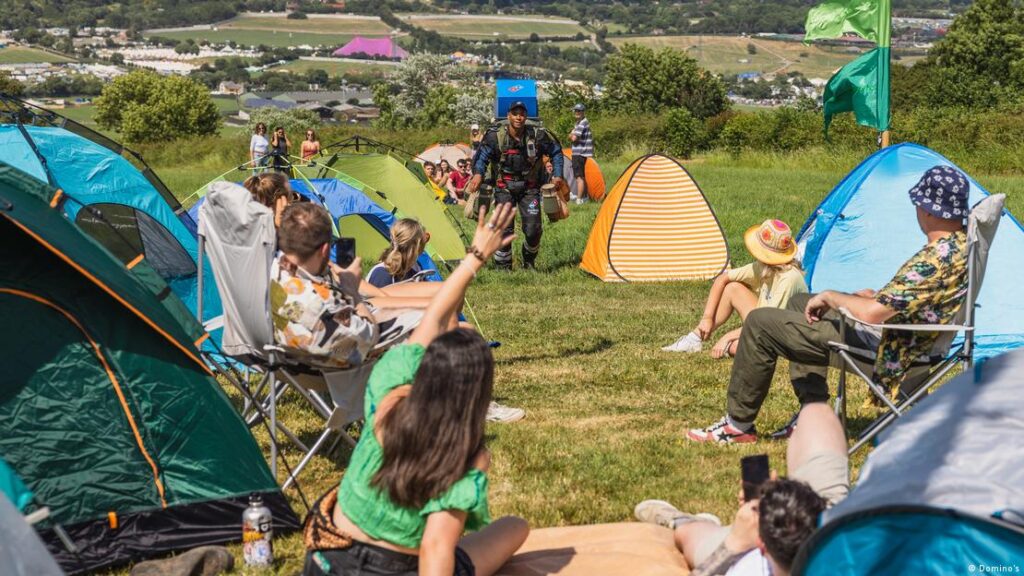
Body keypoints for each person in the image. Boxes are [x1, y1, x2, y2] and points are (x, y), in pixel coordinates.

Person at [303, 204, 530, 576]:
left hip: (326, 555)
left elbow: (433, 318)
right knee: (515, 527)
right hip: (392, 567)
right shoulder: (464, 451)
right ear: (478, 391)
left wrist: (474, 257)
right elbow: (436, 548)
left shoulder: (387, 386)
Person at [688, 165, 971, 444]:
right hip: (911, 340)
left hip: (892, 349)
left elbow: (873, 315)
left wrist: (835, 297)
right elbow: (908, 300)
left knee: (760, 322)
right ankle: (813, 416)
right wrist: (870, 296)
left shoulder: (934, 260)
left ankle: (738, 426)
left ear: (928, 210)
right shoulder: (956, 247)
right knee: (802, 302)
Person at [635, 403, 845, 576]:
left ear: (761, 547)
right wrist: (784, 496)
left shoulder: (746, 569)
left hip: (809, 529)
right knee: (816, 414)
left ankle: (684, 520)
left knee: (687, 534)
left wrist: (735, 541)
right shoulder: (863, 557)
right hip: (831, 527)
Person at [365, 217, 527, 424]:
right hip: (393, 343)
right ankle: (476, 405)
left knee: (466, 330)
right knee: (459, 340)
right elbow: (380, 319)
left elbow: (448, 308)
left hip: (414, 331)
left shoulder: (415, 272)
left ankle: (476, 401)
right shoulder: (381, 274)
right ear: (419, 246)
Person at [662, 220, 807, 359]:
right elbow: (723, 279)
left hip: (787, 334)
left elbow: (767, 323)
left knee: (734, 347)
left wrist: (727, 336)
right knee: (732, 288)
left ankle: (769, 350)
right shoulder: (764, 267)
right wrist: (707, 318)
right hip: (766, 324)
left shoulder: (789, 278)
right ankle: (694, 338)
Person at [270, 202, 379, 368]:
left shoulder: (270, 270)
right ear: (325, 250)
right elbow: (369, 339)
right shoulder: (322, 302)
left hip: (277, 356)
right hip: (323, 369)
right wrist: (352, 292)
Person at [465, 101, 564, 270]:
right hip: (504, 187)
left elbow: (556, 152)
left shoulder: (538, 135)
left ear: (526, 116)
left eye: (522, 114)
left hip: (530, 188)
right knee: (504, 229)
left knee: (534, 230)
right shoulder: (494, 136)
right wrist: (478, 173)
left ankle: (529, 261)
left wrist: (558, 175)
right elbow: (481, 158)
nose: (519, 117)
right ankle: (503, 267)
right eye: (515, 113)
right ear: (508, 116)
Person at [568, 103, 593, 205]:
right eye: (576, 111)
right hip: (580, 153)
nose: (577, 112)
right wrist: (572, 133)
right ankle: (582, 196)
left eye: (579, 111)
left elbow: (574, 138)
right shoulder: (580, 123)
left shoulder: (582, 123)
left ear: (583, 112)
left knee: (579, 177)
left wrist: (570, 134)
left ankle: (579, 199)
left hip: (579, 153)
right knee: (580, 176)